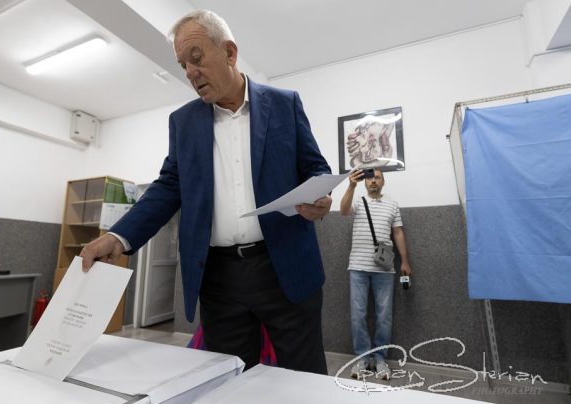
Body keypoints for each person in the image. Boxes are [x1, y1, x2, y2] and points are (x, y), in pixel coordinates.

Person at [80, 10, 332, 374]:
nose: (190, 72)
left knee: (304, 378)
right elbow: (168, 186)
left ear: (229, 52)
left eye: (196, 58)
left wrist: (320, 198)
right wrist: (118, 237)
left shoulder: (284, 104)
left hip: (285, 266)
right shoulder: (183, 122)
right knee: (229, 383)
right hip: (219, 278)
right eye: (183, 65)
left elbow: (315, 167)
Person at [340, 168, 411, 380]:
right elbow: (343, 211)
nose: (373, 181)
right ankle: (363, 358)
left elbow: (398, 232)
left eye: (377, 177)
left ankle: (380, 359)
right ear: (365, 182)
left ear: (383, 181)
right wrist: (350, 185)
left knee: (384, 317)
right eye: (370, 178)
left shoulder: (392, 204)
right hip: (358, 267)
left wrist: (405, 261)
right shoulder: (357, 200)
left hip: (384, 270)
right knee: (358, 315)